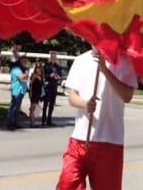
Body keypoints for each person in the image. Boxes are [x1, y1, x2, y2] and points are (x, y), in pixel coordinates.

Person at [56, 49, 136, 190]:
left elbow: (127, 96)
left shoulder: (124, 61)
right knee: (66, 185)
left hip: (109, 142)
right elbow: (72, 96)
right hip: (79, 140)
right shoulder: (81, 60)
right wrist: (85, 104)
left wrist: (105, 70)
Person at [7, 56, 29, 130]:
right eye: (23, 61)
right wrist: (26, 73)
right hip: (16, 91)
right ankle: (10, 124)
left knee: (17, 108)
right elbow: (21, 77)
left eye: (25, 61)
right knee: (13, 108)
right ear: (19, 61)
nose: (25, 62)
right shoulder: (16, 69)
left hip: (21, 90)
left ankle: (15, 123)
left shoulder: (21, 69)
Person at [42, 51, 62, 126]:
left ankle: (49, 120)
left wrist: (58, 77)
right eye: (52, 57)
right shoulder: (46, 65)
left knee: (52, 104)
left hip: (54, 86)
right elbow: (43, 75)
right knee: (45, 104)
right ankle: (43, 120)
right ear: (50, 57)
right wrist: (50, 75)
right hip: (48, 86)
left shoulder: (58, 66)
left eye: (55, 57)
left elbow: (60, 75)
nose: (54, 58)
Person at [29, 62, 44, 127]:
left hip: (38, 93)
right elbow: (30, 84)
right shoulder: (34, 75)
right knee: (32, 108)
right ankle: (32, 123)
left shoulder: (41, 75)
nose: (38, 68)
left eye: (40, 67)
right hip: (34, 93)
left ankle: (33, 122)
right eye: (37, 67)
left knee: (34, 108)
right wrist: (30, 93)